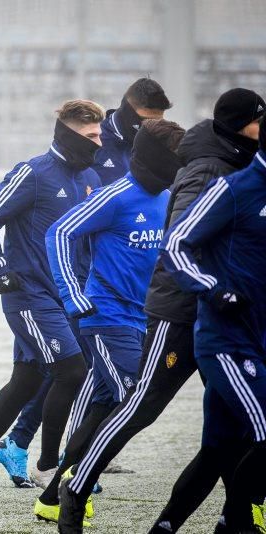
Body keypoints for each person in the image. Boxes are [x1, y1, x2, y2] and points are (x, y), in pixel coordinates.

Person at [56, 88, 266, 534]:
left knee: (227, 428)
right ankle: (74, 488)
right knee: (143, 405)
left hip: (224, 317)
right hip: (182, 307)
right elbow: (183, 240)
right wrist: (216, 285)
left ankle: (232, 518)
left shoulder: (241, 164)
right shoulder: (209, 169)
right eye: (258, 120)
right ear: (239, 126)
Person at [0, 100, 103, 498]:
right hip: (29, 296)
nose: (99, 142)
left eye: (100, 134)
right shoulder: (32, 173)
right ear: (69, 134)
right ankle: (47, 466)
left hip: (68, 297)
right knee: (71, 371)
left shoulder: (89, 177)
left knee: (26, 380)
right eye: (91, 136)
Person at [35, 118, 184, 525]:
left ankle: (53, 496)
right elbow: (59, 232)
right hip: (106, 317)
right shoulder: (116, 196)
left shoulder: (169, 197)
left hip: (145, 320)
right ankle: (72, 489)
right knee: (130, 400)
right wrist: (72, 294)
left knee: (104, 406)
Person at [152, 116, 266, 534]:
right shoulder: (233, 188)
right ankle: (238, 523)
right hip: (228, 341)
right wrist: (213, 289)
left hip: (259, 339)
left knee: (217, 450)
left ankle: (166, 528)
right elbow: (177, 243)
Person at [92, 78, 171, 186]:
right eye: (147, 120)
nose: (153, 127)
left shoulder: (159, 145)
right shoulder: (94, 140)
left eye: (158, 122)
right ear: (127, 110)